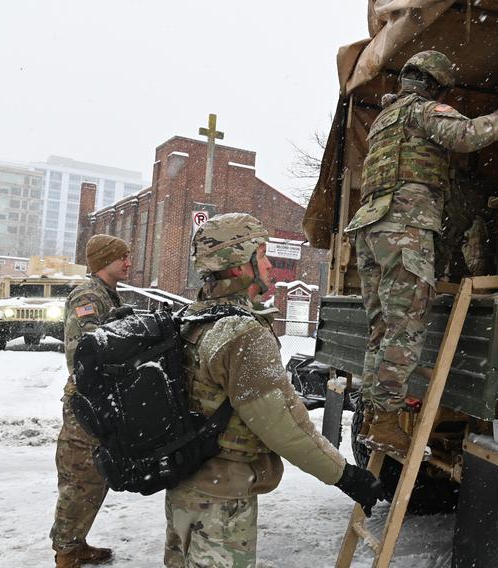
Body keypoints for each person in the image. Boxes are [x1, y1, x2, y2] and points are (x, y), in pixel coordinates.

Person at [165, 212, 385, 567]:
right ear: (239, 265)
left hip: (186, 485)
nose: (269, 265)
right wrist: (345, 475)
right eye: (263, 254)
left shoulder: (194, 317)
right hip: (222, 498)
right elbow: (281, 424)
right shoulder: (242, 334)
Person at [345, 50, 498, 455]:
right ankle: (389, 421)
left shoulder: (383, 122)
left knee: (381, 331)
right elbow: (468, 136)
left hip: (369, 229)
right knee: (405, 329)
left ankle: (377, 416)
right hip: (404, 229)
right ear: (435, 85)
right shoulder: (424, 111)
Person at [50, 234, 132, 568]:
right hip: (87, 402)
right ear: (104, 260)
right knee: (80, 476)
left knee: (97, 476)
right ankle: (66, 552)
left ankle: (76, 542)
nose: (128, 262)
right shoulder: (88, 296)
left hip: (102, 400)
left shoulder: (108, 296)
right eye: (122, 257)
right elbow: (84, 352)